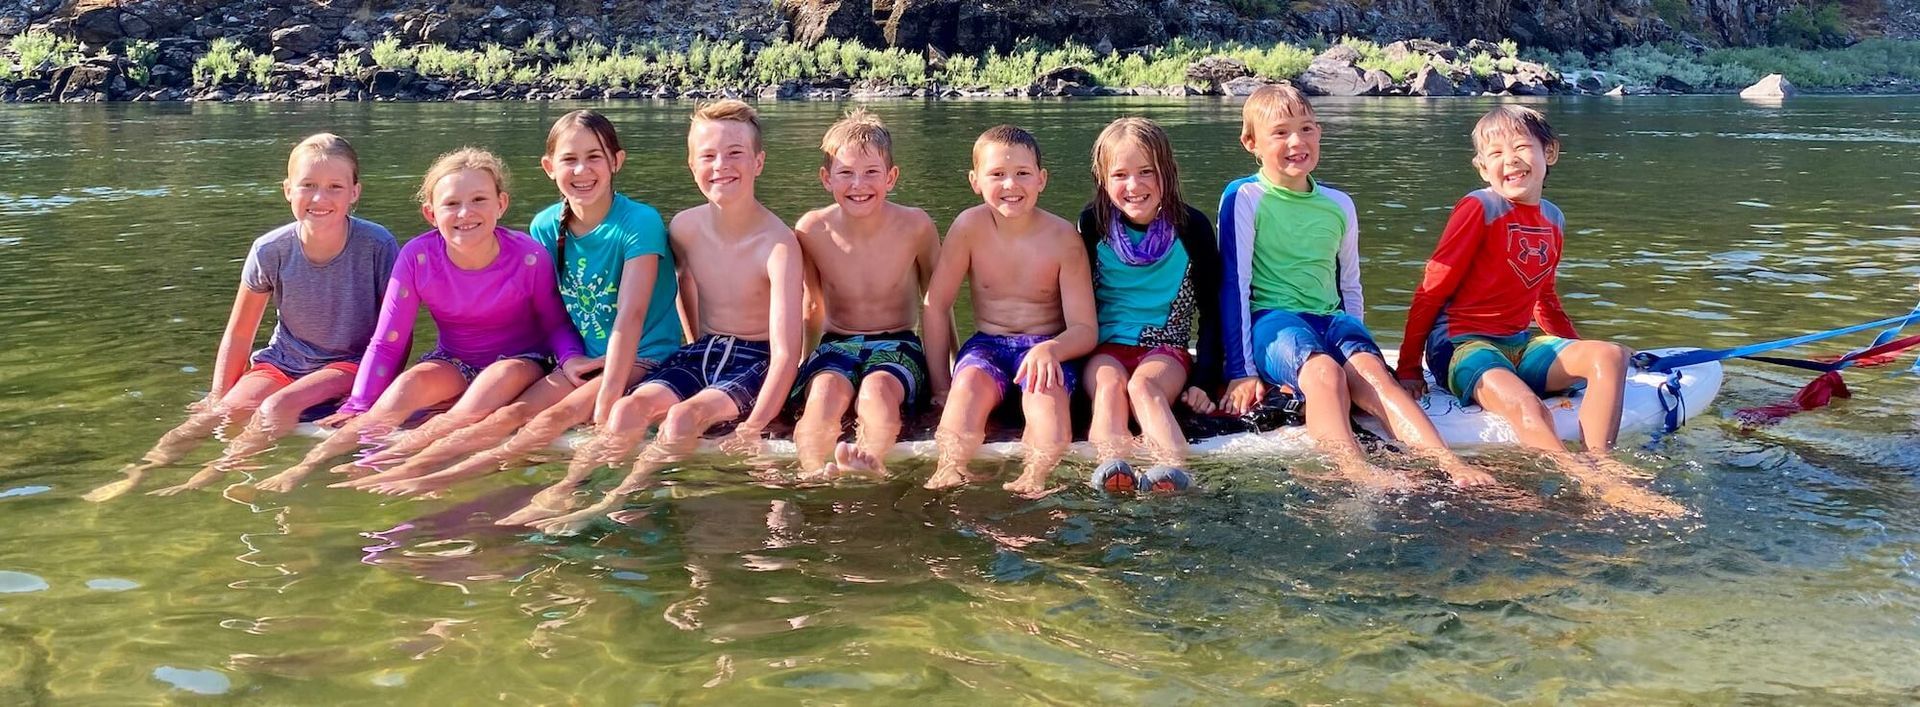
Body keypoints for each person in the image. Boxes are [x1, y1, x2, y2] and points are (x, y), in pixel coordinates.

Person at [498, 100, 804, 535]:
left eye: (735, 153)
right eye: (708, 155)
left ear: (758, 161)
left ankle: (617, 497)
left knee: (681, 419)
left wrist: (754, 426)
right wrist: (690, 340)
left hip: (756, 358)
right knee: (626, 409)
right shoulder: (684, 226)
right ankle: (565, 489)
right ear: (691, 163)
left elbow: (788, 352)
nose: (721, 165)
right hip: (701, 351)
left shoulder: (778, 244)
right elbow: (682, 284)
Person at [342, 110, 683, 497]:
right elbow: (553, 312)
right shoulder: (545, 226)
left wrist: (607, 397)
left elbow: (631, 314)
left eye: (594, 157)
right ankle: (405, 465)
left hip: (644, 356)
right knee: (513, 414)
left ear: (616, 162)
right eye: (570, 159)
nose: (582, 170)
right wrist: (567, 359)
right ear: (549, 167)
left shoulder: (639, 222)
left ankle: (436, 479)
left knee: (556, 416)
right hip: (587, 359)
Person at [1396, 105, 1682, 516]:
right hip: (1462, 343)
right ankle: (1588, 479)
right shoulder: (1479, 207)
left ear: (1549, 153)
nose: (1509, 160)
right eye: (1494, 154)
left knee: (1611, 355)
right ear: (1481, 168)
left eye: (1520, 147)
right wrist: (1408, 369)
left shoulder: (1554, 218)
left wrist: (1580, 357)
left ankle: (1601, 462)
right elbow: (1430, 288)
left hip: (1519, 338)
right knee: (1525, 403)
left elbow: (1543, 296)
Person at [255, 147, 588, 492]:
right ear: (430, 213)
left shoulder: (529, 257)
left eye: (478, 200)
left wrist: (570, 360)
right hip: (454, 360)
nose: (465, 213)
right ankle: (305, 468)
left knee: (484, 390)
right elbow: (387, 342)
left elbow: (555, 324)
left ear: (501, 204)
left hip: (521, 361)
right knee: (400, 394)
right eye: (451, 204)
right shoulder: (419, 257)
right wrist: (360, 402)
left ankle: (404, 470)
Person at [87, 134, 398, 500]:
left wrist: (371, 392)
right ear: (287, 190)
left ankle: (211, 476)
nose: (320, 198)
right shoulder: (270, 250)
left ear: (355, 192)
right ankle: (141, 471)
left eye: (334, 187)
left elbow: (394, 330)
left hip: (346, 362)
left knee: (278, 407)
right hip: (284, 360)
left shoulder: (377, 245)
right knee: (219, 414)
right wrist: (218, 396)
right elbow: (239, 333)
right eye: (308, 186)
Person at [1216, 84, 1491, 490]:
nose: (1297, 141)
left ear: (1320, 133)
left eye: (1307, 129)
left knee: (1375, 376)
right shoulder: (1245, 196)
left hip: (1332, 319)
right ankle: (1354, 470)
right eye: (1281, 132)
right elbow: (1232, 283)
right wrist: (1241, 372)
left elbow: (1350, 283)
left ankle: (1449, 464)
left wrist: (1357, 343)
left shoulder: (1339, 204)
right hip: (1274, 321)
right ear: (1251, 142)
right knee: (1324, 373)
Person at [922, 125, 1098, 497]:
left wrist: (1052, 349)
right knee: (966, 388)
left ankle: (1036, 475)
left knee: (1044, 401)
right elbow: (936, 305)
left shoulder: (1063, 237)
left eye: (1022, 174)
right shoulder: (968, 228)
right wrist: (940, 385)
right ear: (975, 181)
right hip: (988, 344)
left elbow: (1084, 328)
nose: (1010, 185)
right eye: (997, 174)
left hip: (1046, 347)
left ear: (1041, 180)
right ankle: (950, 467)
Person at [790, 109, 940, 480]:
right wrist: (800, 369)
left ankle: (870, 459)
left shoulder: (915, 226)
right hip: (836, 343)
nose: (859, 184)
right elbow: (811, 305)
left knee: (878, 393)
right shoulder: (812, 229)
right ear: (827, 178)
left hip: (898, 344)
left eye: (871, 172)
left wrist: (943, 383)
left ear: (891, 177)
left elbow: (936, 303)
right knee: (822, 394)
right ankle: (812, 470)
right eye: (846, 173)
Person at [1077, 117, 1224, 494]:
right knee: (1110, 387)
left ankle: (1173, 470)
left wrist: (1205, 381)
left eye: (1147, 172)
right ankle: (1110, 468)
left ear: (1168, 172)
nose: (1134, 186)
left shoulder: (1192, 227)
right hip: (1105, 348)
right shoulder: (1091, 226)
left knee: (1144, 387)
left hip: (1166, 350)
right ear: (1102, 178)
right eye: (1120, 174)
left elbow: (1212, 308)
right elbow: (1072, 301)